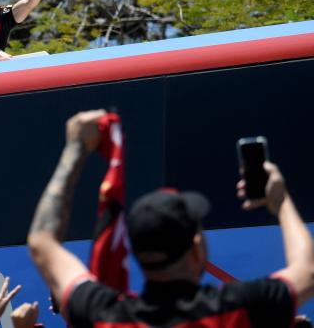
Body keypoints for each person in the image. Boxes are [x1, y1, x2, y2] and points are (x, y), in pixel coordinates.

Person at [27, 109, 314, 328]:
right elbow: (308, 269)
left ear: (136, 254)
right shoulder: (234, 309)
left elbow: (42, 242)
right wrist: (281, 201)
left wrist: (75, 148)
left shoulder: (105, 314)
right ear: (197, 247)